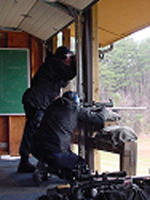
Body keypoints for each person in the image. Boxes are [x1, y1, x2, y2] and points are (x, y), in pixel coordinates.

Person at [18, 46, 77, 173]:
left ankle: (26, 161)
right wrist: (76, 62)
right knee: (35, 132)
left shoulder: (52, 66)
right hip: (37, 102)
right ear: (63, 57)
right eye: (69, 58)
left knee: (32, 131)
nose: (70, 61)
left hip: (35, 101)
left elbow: (63, 81)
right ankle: (31, 162)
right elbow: (69, 73)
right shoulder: (54, 62)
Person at [30, 90, 109, 185]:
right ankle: (48, 168)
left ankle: (45, 166)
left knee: (57, 158)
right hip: (55, 151)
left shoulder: (52, 107)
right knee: (81, 164)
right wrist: (105, 110)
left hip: (36, 148)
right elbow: (99, 118)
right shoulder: (75, 109)